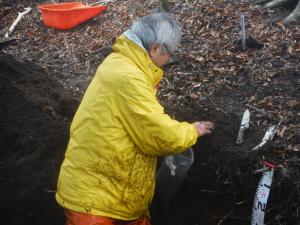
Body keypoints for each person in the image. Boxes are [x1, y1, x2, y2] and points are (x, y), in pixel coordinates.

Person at [56, 12, 214, 225]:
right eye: (170, 54)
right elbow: (159, 135)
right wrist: (192, 130)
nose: (169, 61)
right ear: (155, 48)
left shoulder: (120, 63)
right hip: (95, 201)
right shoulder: (128, 76)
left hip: (113, 193)